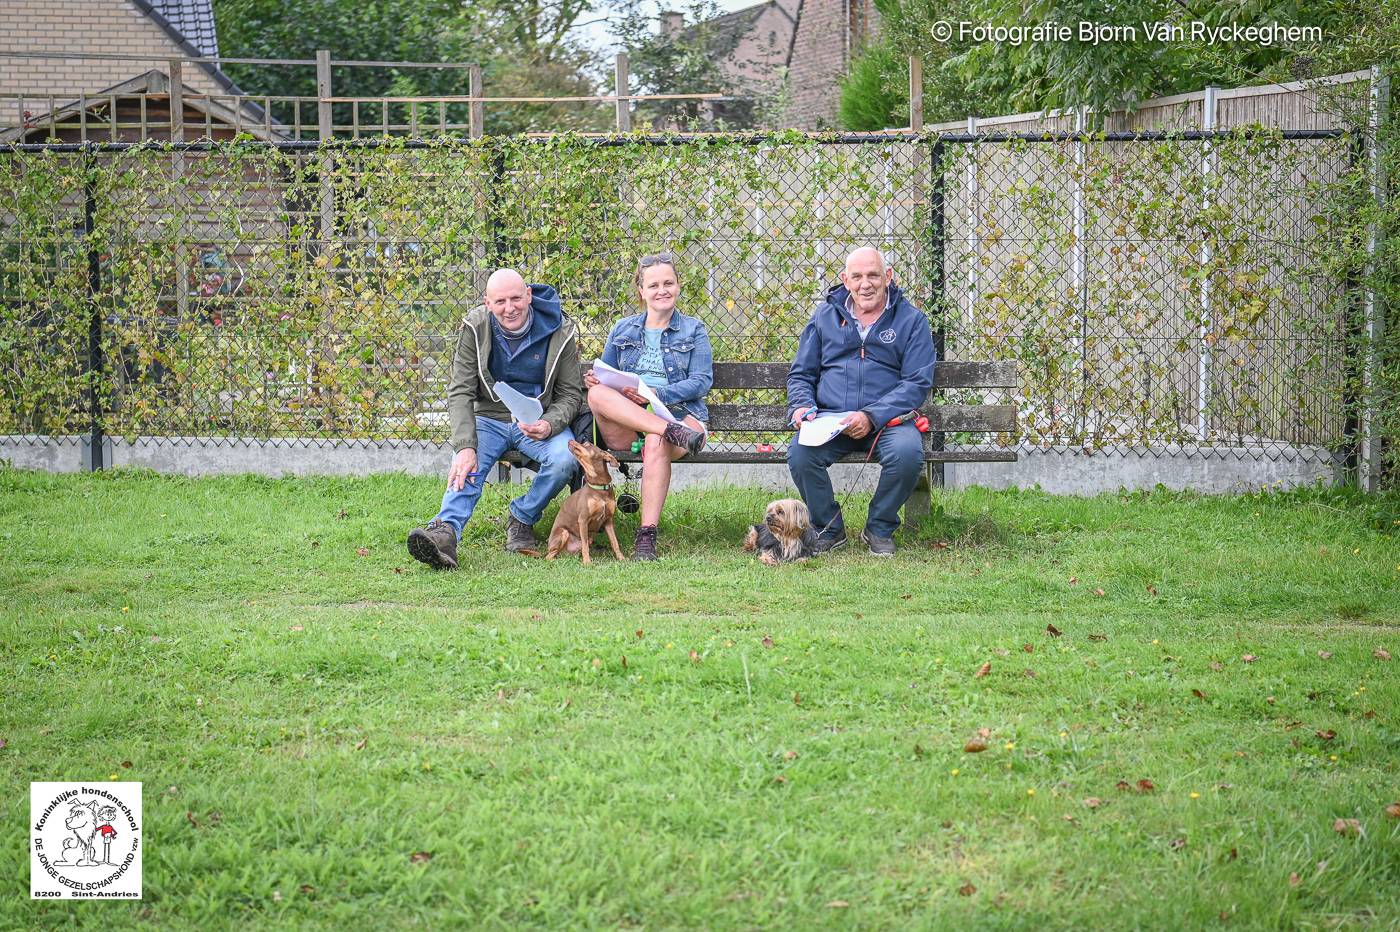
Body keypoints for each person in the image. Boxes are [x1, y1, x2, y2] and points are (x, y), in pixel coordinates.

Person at [406, 269, 584, 568]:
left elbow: (570, 394)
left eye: (516, 298)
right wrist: (464, 446)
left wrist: (549, 424)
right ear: (488, 303)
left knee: (565, 459)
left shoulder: (559, 329)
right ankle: (445, 534)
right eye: (500, 301)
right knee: (468, 466)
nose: (509, 308)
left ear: (529, 295)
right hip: (488, 417)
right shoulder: (475, 327)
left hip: (537, 421)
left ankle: (522, 516)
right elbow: (460, 390)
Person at [786, 247, 936, 557]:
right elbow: (801, 373)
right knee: (800, 454)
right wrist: (800, 406)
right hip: (831, 420)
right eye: (857, 276)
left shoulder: (912, 321)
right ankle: (828, 528)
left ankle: (879, 527)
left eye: (873, 275)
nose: (865, 284)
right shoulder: (824, 316)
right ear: (845, 280)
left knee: (908, 454)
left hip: (888, 421)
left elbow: (916, 383)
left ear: (888, 277)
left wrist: (870, 415)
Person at [584, 252, 711, 560]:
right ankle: (668, 431)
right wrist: (596, 380)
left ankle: (645, 539)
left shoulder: (694, 329)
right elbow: (606, 374)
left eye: (669, 282)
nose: (662, 290)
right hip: (631, 423)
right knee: (597, 396)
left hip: (681, 416)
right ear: (641, 291)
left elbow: (701, 381)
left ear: (679, 285)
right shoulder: (622, 328)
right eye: (653, 285)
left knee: (656, 440)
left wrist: (656, 394)